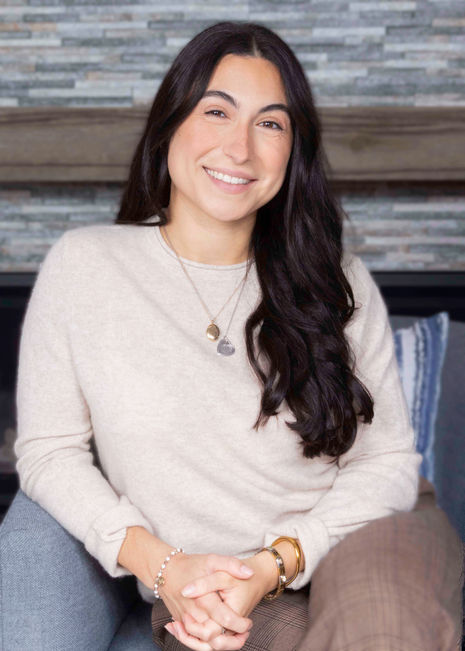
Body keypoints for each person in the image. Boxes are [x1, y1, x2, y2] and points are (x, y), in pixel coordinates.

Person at [1, 19, 463, 651]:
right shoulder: (86, 268)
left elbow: (385, 465)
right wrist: (165, 568)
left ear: (292, 151)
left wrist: (276, 564)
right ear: (169, 125)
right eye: (216, 111)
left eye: (270, 123)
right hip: (204, 579)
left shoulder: (335, 280)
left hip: (361, 534)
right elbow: (50, 452)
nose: (240, 148)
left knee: (381, 626)